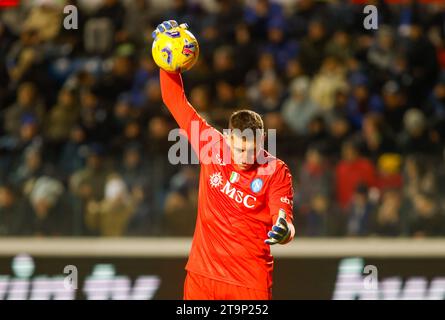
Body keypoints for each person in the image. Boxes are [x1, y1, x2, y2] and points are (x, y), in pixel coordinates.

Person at [153, 20, 295, 300]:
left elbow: (285, 221)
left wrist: (283, 232)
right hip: (202, 276)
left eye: (251, 150)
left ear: (262, 143)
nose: (244, 157)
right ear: (229, 138)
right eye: (239, 148)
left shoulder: (275, 171)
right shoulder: (212, 146)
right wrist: (166, 58)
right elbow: (175, 100)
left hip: (249, 282)